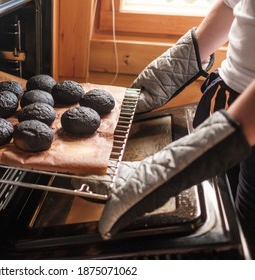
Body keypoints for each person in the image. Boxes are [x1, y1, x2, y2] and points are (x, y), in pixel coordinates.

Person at [97, 0, 255, 258]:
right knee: (227, 212)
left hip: (245, 120)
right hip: (227, 103)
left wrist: (169, 166)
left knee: (247, 230)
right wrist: (174, 68)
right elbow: (234, 4)